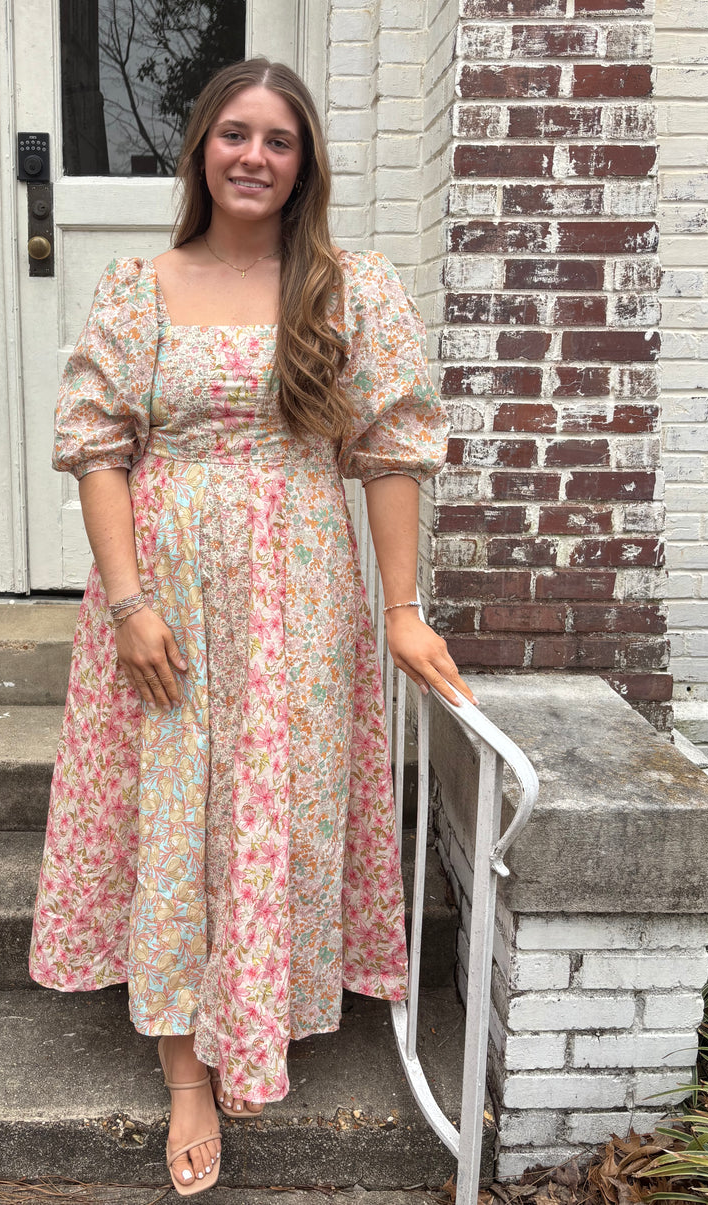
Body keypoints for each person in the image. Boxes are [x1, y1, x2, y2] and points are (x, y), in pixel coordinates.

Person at [29, 58, 474, 1195]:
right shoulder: (139, 285)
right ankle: (186, 1068)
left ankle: (255, 1011)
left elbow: (387, 450)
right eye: (234, 134)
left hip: (302, 595)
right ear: (199, 149)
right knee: (178, 807)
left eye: (278, 140)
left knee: (272, 799)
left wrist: (403, 612)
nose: (254, 157)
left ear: (302, 163)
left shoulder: (349, 288)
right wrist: (129, 602)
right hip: (166, 586)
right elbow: (96, 449)